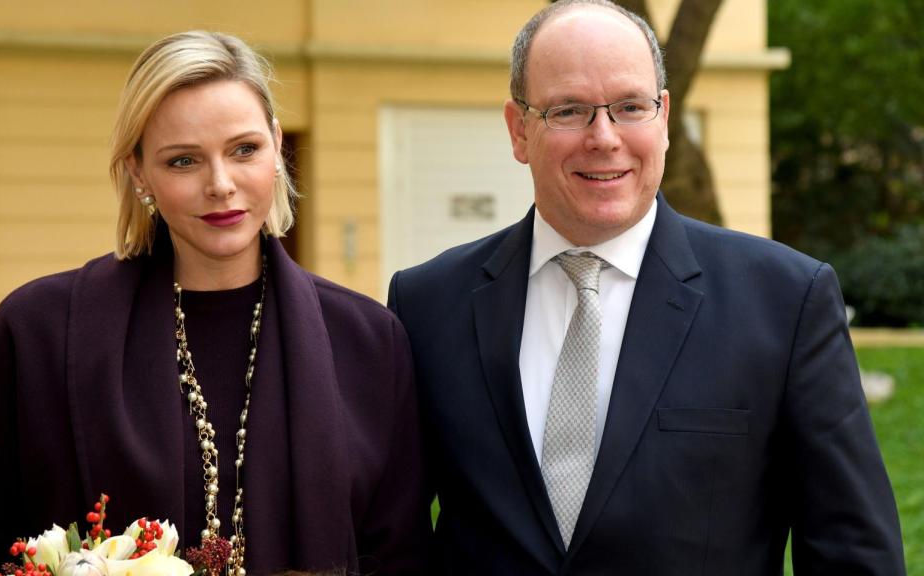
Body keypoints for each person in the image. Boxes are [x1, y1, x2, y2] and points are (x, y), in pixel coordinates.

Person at [387, 1, 905, 574]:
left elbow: (854, 554)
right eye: (569, 110)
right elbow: (390, 539)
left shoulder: (786, 301)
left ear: (663, 117)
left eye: (629, 107)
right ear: (518, 130)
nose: (603, 138)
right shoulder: (427, 305)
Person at [0, 30, 429, 575]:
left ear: (276, 145)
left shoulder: (369, 342)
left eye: (244, 149)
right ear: (138, 172)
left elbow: (404, 560)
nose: (221, 184)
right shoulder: (34, 335)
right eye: (184, 161)